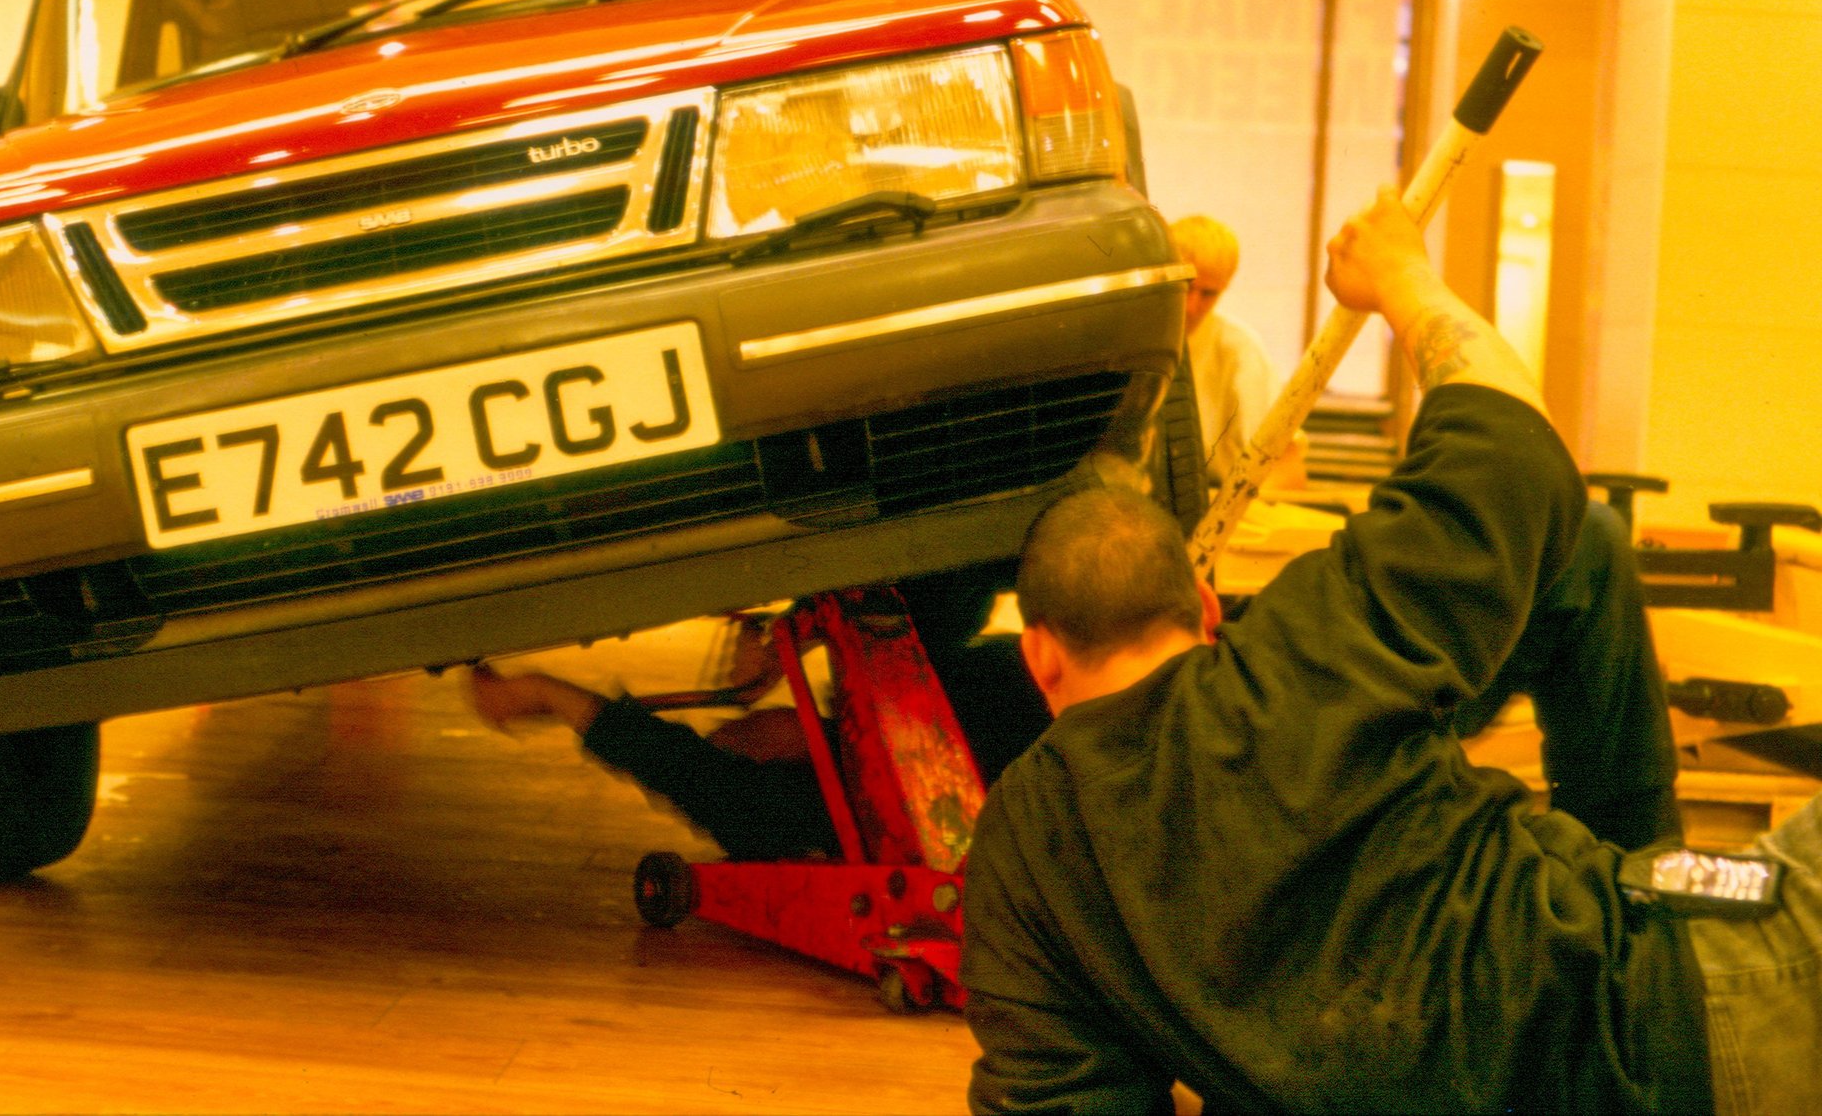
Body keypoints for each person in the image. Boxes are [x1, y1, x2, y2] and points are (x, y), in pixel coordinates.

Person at [961, 186, 1821, 1114]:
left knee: (1592, 551)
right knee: (1590, 538)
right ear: (1208, 610)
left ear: (1038, 655)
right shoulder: (1304, 654)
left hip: (1654, 1011)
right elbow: (1515, 445)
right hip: (1679, 1023)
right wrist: (1400, 277)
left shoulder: (1023, 854)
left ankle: (1634, 861)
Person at [463, 604, 1049, 862]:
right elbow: (681, 767)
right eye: (736, 734)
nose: (734, 728)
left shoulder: (782, 805)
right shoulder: (803, 805)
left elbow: (680, 766)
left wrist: (549, 695)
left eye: (734, 732)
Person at [1165, 213, 1304, 492]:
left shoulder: (1240, 352)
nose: (1192, 307)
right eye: (1186, 288)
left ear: (1225, 287)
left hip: (1216, 500)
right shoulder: (1130, 341)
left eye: (1208, 294)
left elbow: (1287, 466)